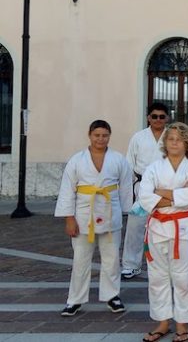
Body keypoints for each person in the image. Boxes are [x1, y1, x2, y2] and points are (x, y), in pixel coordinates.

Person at [55, 120, 132, 317]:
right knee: (80, 259)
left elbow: (125, 187)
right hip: (83, 214)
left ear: (109, 136)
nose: (100, 139)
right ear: (89, 135)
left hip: (110, 212)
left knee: (112, 258)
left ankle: (112, 296)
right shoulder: (77, 160)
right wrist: (69, 219)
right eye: (97, 135)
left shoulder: (118, 159)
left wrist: (126, 211)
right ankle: (75, 300)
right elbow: (67, 190)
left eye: (104, 135)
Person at [139, 122, 188, 342]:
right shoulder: (153, 168)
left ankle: (183, 324)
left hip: (182, 229)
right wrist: (177, 194)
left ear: (187, 143)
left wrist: (163, 193)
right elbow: (145, 197)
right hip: (157, 228)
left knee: (183, 277)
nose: (174, 142)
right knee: (157, 277)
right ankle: (163, 321)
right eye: (170, 138)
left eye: (179, 138)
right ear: (164, 143)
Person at [121, 102, 169, 280]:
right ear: (148, 118)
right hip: (142, 188)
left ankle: (163, 264)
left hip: (165, 189)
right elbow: (129, 165)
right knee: (135, 226)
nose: (158, 120)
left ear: (167, 118)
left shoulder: (171, 137)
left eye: (161, 116)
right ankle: (130, 264)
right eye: (154, 116)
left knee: (164, 227)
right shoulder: (138, 137)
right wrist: (130, 190)